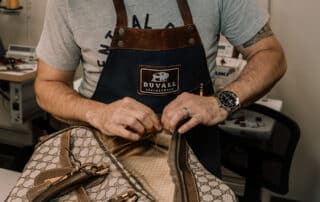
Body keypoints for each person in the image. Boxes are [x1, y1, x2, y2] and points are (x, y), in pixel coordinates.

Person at [34, 0, 287, 176]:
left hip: (192, 163)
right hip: (102, 166)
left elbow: (271, 56)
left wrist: (221, 102)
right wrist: (97, 113)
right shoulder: (70, 2)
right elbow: (48, 84)